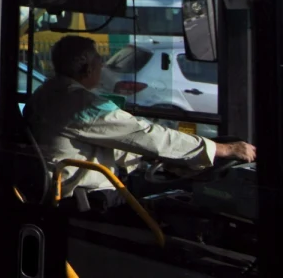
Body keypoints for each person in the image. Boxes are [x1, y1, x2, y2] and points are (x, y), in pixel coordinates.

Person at [24, 35, 255, 211]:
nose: (102, 66)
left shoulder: (46, 92)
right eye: (99, 60)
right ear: (87, 67)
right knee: (175, 203)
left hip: (59, 188)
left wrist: (148, 158)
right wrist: (221, 149)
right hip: (84, 197)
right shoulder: (82, 104)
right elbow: (145, 134)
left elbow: (102, 140)